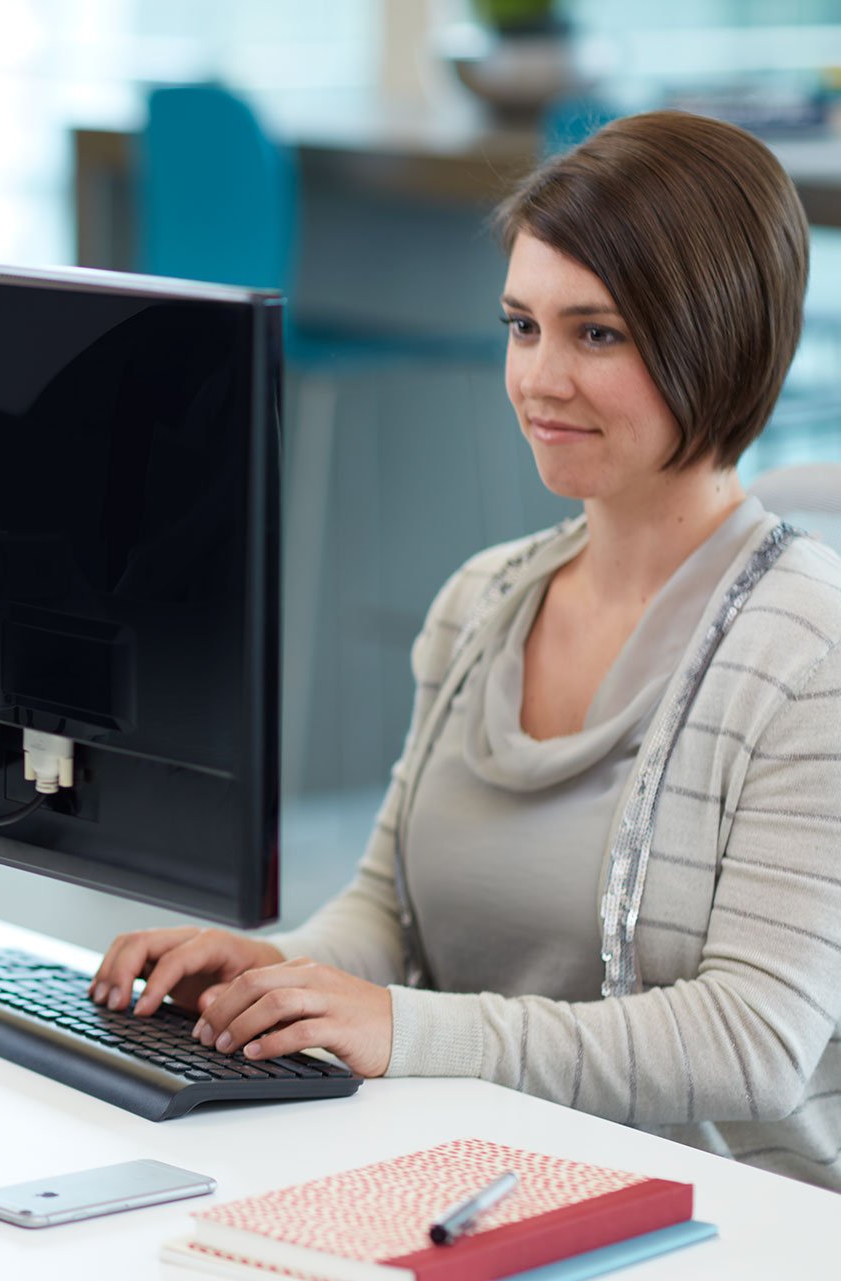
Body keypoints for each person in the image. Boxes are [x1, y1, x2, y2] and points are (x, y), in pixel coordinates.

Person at [89, 109, 841, 1191]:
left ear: (716, 340)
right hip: (478, 1181)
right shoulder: (481, 604)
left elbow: (755, 1043)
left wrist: (411, 1033)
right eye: (521, 326)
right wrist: (287, 972)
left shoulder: (809, 656)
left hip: (731, 1229)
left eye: (597, 334)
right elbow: (390, 911)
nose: (539, 381)